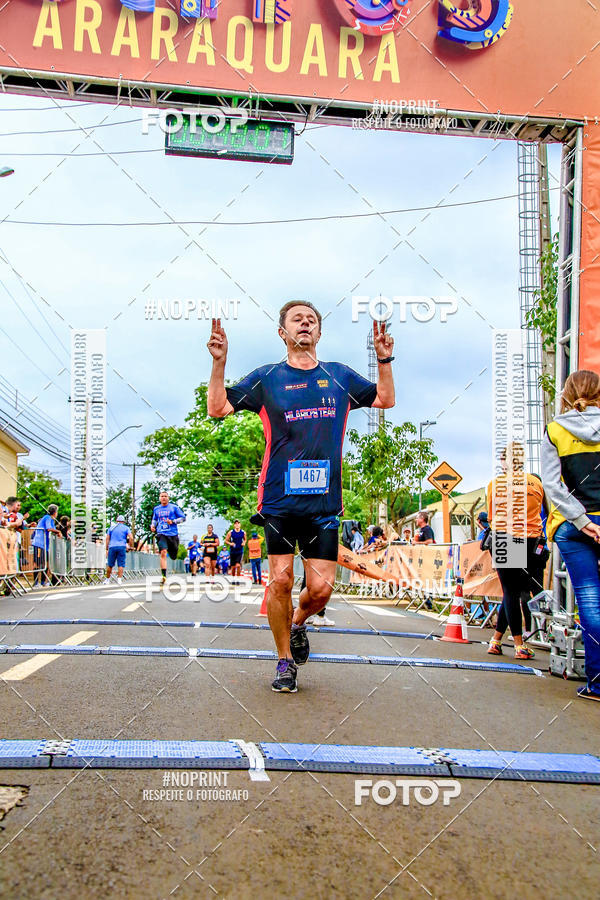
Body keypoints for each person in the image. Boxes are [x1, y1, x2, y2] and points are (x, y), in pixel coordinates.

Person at [207, 304, 395, 692]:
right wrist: (219, 362)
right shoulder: (267, 378)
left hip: (324, 504)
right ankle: (283, 663)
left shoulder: (338, 376)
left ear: (319, 333)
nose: (305, 324)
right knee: (280, 582)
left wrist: (384, 360)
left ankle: (297, 623)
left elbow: (385, 399)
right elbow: (217, 408)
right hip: (278, 499)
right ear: (282, 333)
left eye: (312, 320)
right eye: (297, 319)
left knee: (322, 590)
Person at [542, 370, 600, 701]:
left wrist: (582, 520)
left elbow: (553, 485)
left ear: (567, 393)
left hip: (574, 529)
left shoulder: (556, 429)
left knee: (591, 605)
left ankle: (598, 682)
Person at [487, 442, 544, 660]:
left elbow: (491, 516)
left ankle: (519, 645)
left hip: (504, 536)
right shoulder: (536, 482)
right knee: (514, 590)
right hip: (531, 538)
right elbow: (542, 510)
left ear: (504, 461)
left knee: (509, 591)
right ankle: (496, 639)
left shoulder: (496, 483)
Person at [150, 491, 186, 586]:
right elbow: (154, 519)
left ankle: (173, 552)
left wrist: (173, 521)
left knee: (173, 556)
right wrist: (153, 525)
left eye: (165, 496)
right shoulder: (156, 509)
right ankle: (164, 576)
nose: (164, 498)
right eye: (162, 496)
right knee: (163, 552)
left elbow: (183, 518)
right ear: (159, 498)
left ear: (168, 498)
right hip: (161, 533)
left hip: (172, 534)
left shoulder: (174, 507)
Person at [31, 504, 60, 587]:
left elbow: (52, 528)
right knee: (38, 563)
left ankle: (43, 581)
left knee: (45, 563)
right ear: (54, 512)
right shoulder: (47, 518)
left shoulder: (51, 520)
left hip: (46, 544)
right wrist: (58, 532)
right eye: (56, 512)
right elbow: (49, 528)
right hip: (40, 543)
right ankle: (36, 582)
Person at [104, 514, 133, 584]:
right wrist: (130, 546)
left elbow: (107, 538)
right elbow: (131, 538)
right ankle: (119, 579)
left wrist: (106, 548)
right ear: (123, 521)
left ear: (117, 521)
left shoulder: (111, 528)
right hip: (122, 547)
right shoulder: (126, 528)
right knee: (121, 564)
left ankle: (107, 580)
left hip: (112, 547)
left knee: (110, 564)